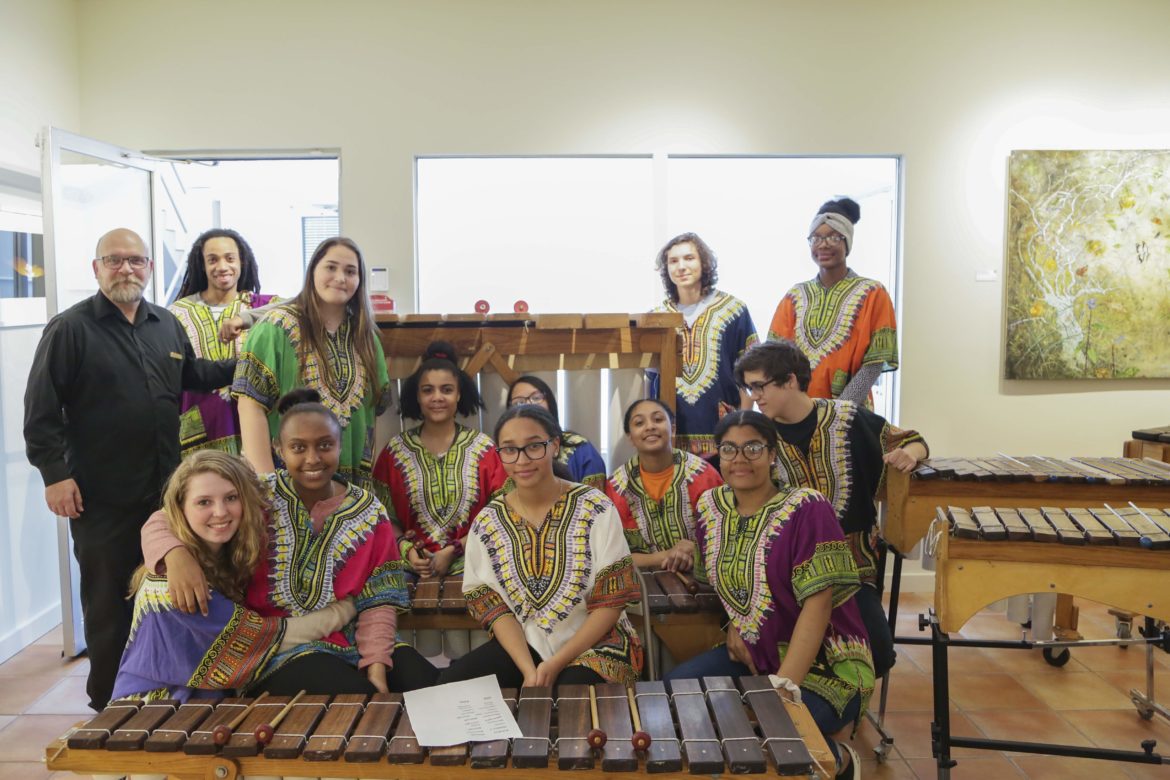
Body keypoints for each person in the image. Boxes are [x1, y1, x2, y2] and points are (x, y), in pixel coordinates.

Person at [23, 227, 236, 711]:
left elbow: (193, 376)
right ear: (95, 268)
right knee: (109, 607)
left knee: (162, 601)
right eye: (114, 260)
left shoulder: (164, 323)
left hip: (164, 496)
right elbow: (40, 411)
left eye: (136, 261)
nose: (126, 269)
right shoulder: (70, 329)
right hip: (101, 498)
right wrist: (55, 475)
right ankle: (110, 709)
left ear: (150, 268)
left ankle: (165, 695)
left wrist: (244, 364)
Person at [143, 389, 437, 694]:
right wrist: (175, 553)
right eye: (298, 447)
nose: (313, 459)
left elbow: (380, 597)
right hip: (274, 653)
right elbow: (166, 517)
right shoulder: (256, 494)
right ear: (279, 449)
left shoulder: (369, 510)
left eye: (325, 445)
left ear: (340, 445)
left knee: (425, 685)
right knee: (358, 699)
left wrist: (376, 666)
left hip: (352, 638)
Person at [665, 411, 872, 780]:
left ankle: (839, 758)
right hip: (752, 655)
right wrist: (733, 622)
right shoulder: (710, 507)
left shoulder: (809, 507)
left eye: (753, 448)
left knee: (767, 730)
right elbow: (722, 584)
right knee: (673, 693)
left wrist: (784, 688)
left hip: (825, 665)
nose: (740, 458)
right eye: (729, 448)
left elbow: (819, 602)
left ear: (773, 454)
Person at [735, 339, 927, 677]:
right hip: (787, 574)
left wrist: (911, 454)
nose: (754, 396)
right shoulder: (759, 437)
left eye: (759, 386)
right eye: (750, 388)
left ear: (790, 380)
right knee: (772, 648)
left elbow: (912, 440)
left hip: (852, 572)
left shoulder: (847, 417)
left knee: (879, 654)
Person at [113, 450, 356, 702]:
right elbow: (266, 638)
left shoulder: (222, 553)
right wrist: (344, 609)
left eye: (231, 498)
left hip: (207, 705)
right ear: (180, 508)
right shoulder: (173, 587)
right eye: (203, 502)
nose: (220, 512)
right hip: (157, 712)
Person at [437, 405, 643, 689]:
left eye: (534, 446)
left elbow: (611, 602)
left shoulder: (595, 507)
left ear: (554, 446)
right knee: (450, 687)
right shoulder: (488, 522)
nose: (521, 460)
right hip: (526, 644)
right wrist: (528, 669)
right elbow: (495, 609)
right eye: (509, 449)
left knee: (572, 697)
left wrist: (555, 665)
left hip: (599, 644)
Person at [373, 341, 506, 658]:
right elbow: (381, 517)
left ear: (459, 394)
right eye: (428, 390)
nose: (437, 398)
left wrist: (455, 549)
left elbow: (501, 515)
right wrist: (406, 551)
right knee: (409, 650)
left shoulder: (484, 449)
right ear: (416, 396)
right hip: (412, 571)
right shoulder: (394, 451)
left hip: (472, 565)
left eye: (446, 389)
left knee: (469, 658)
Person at [233, 236, 389, 491]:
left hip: (350, 488)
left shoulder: (366, 337)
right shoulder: (275, 327)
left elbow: (374, 415)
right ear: (312, 271)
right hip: (286, 483)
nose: (340, 277)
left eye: (351, 271)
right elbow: (250, 406)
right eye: (331, 267)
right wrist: (267, 484)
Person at [768, 197, 897, 405]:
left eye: (833, 237)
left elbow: (874, 363)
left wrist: (838, 412)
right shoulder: (794, 296)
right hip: (796, 412)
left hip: (850, 413)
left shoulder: (873, 293)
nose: (823, 244)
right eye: (816, 238)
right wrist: (796, 409)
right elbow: (774, 358)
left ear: (847, 241)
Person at [169, 228, 279, 456]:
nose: (222, 267)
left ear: (242, 262)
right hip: (198, 430)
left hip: (255, 425)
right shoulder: (176, 313)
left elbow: (303, 304)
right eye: (213, 259)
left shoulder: (262, 307)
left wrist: (245, 318)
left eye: (230, 258)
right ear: (202, 265)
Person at [652, 233, 757, 456]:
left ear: (704, 262)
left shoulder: (734, 310)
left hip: (725, 431)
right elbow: (650, 381)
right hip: (672, 435)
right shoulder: (657, 318)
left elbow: (751, 372)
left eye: (689, 258)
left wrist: (743, 423)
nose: (681, 266)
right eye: (673, 261)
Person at [605, 398, 723, 571]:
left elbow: (726, 538)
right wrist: (667, 555)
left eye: (658, 419)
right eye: (639, 423)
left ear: (673, 429)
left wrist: (695, 550)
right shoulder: (618, 486)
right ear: (630, 437)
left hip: (703, 576)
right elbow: (615, 556)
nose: (650, 426)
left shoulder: (702, 474)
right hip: (643, 584)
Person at [507, 375, 606, 489]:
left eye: (536, 398)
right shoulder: (505, 454)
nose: (529, 405)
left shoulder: (581, 450)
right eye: (519, 402)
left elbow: (596, 501)